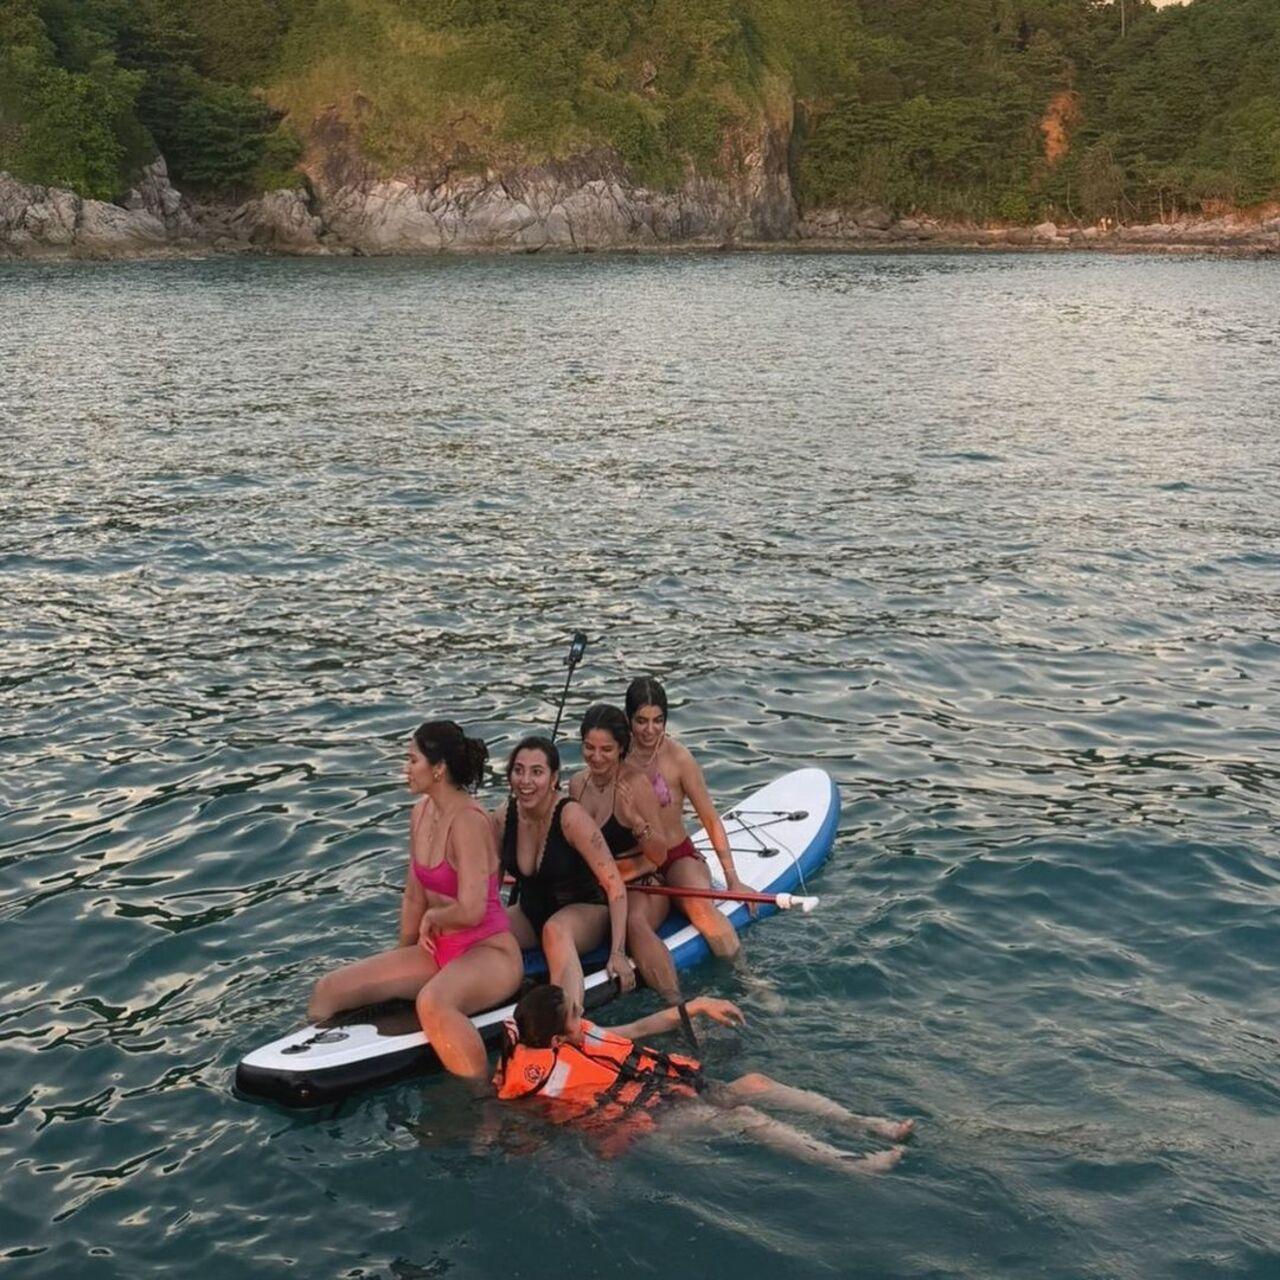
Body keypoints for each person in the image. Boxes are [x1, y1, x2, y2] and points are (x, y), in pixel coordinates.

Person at [494, 984, 913, 1174]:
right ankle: (852, 1164)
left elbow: (638, 1031)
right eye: (573, 1013)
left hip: (668, 1089)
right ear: (554, 1037)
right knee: (742, 1116)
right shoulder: (536, 1082)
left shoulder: (577, 1034)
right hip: (652, 1121)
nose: (581, 1015)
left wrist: (694, 1007)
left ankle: (868, 1125)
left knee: (755, 1083)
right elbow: (540, 1129)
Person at [307, 720, 523, 1081]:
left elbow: (470, 910)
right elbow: (413, 896)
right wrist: (400, 958)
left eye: (412, 761)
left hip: (489, 953)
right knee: (329, 989)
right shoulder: (419, 814)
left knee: (433, 1003)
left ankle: (485, 1104)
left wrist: (435, 919)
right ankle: (315, 1057)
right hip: (437, 950)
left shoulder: (470, 822)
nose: (405, 769)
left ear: (438, 769)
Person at [494, 735, 635, 1014]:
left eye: (537, 772)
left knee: (555, 931)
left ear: (554, 777)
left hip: (586, 913)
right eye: (518, 770)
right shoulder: (502, 817)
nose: (525, 781)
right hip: (531, 913)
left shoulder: (571, 817)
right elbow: (490, 887)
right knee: (485, 930)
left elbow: (615, 887)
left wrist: (617, 953)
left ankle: (569, 1018)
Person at [567, 704, 683, 1004]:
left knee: (634, 924)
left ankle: (677, 1004)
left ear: (621, 748)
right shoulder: (577, 784)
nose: (596, 756)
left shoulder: (635, 784)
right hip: (598, 886)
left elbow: (659, 855)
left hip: (644, 882)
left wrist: (634, 822)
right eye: (589, 747)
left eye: (606, 749)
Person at [625, 676, 747, 959]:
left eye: (658, 720)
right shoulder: (616, 758)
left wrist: (733, 879)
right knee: (635, 923)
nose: (650, 729)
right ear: (628, 719)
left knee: (701, 907)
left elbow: (710, 819)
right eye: (641, 720)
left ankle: (749, 979)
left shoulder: (679, 758)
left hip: (677, 856)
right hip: (638, 865)